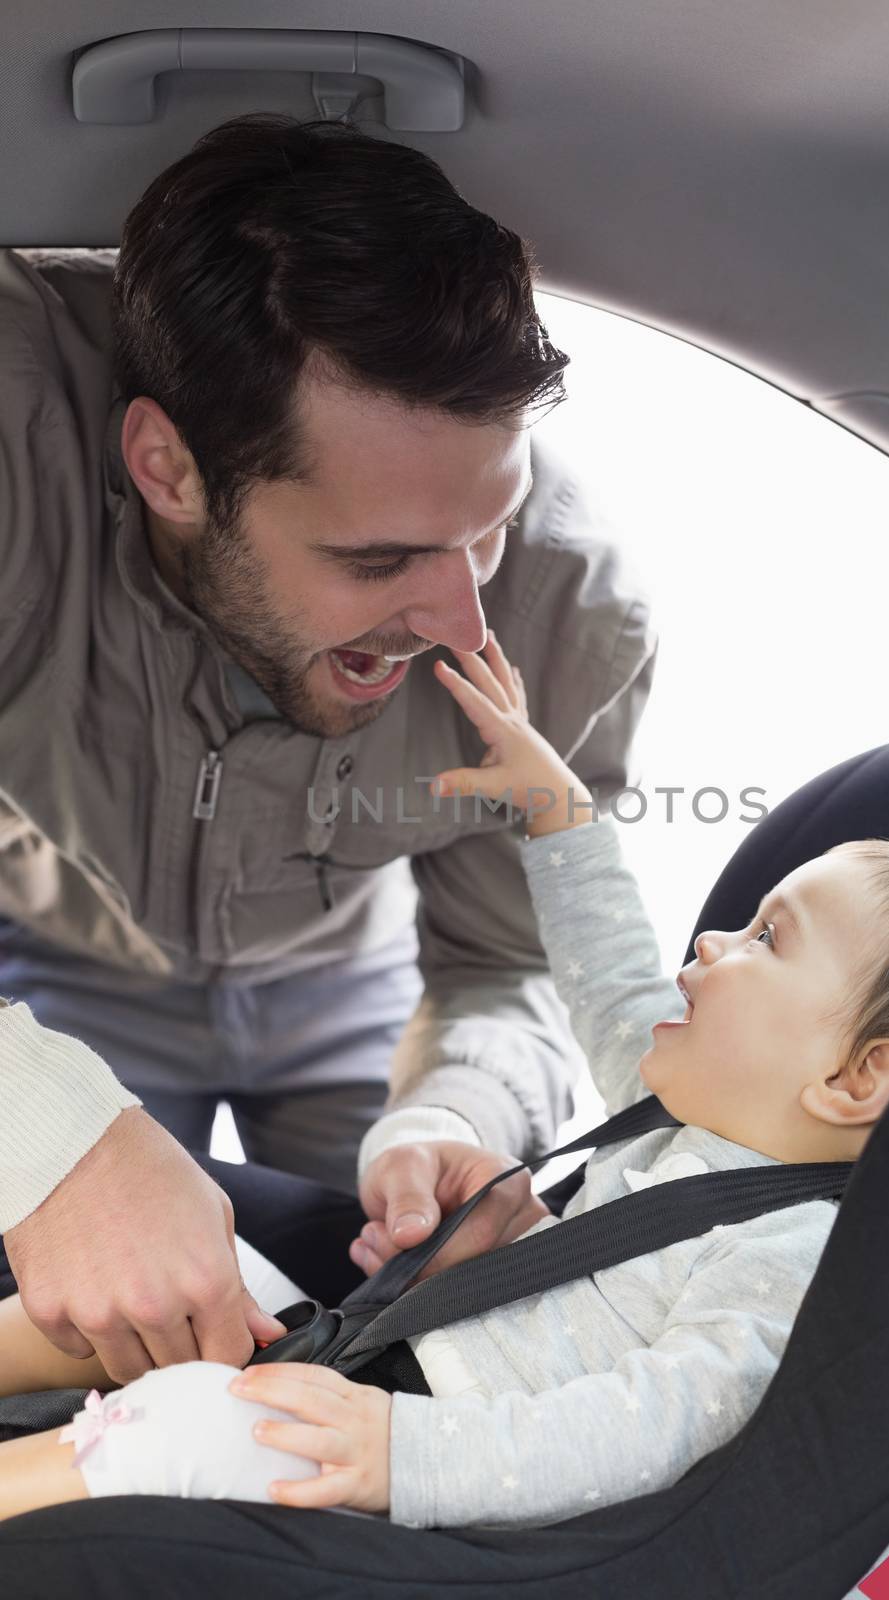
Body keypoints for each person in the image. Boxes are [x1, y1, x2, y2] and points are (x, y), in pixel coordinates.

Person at [0, 636, 889, 1532]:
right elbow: (608, 981)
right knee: (186, 1276)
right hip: (368, 1355)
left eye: (767, 937)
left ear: (857, 1076)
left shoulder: (793, 1258)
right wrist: (556, 812)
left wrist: (405, 1456)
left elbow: (644, 1423)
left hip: (427, 1464)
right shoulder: (679, 1121)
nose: (712, 943)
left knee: (193, 1425)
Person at [0, 112, 658, 1386]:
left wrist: (453, 1112)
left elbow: (501, 965)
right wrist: (41, 1126)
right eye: (375, 560)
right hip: (52, 967)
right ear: (165, 468)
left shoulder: (571, 612)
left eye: (486, 532)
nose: (462, 621)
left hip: (355, 996)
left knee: (383, 1339)